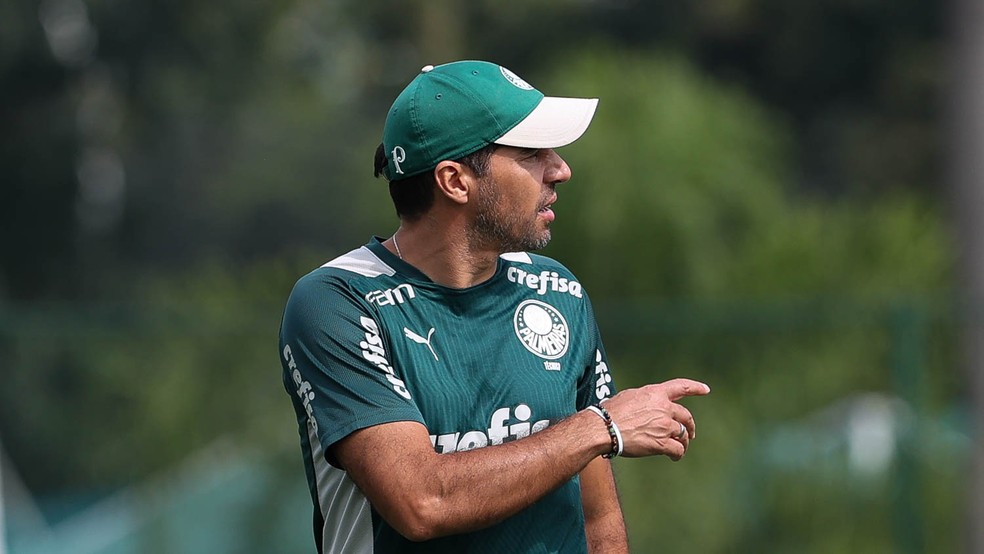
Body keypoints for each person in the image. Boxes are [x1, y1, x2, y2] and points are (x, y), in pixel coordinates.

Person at [279, 60, 711, 554]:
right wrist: (602, 426)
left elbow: (597, 516)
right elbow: (422, 502)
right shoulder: (338, 302)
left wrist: (593, 434)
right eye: (531, 153)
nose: (561, 169)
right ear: (455, 181)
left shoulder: (557, 291)